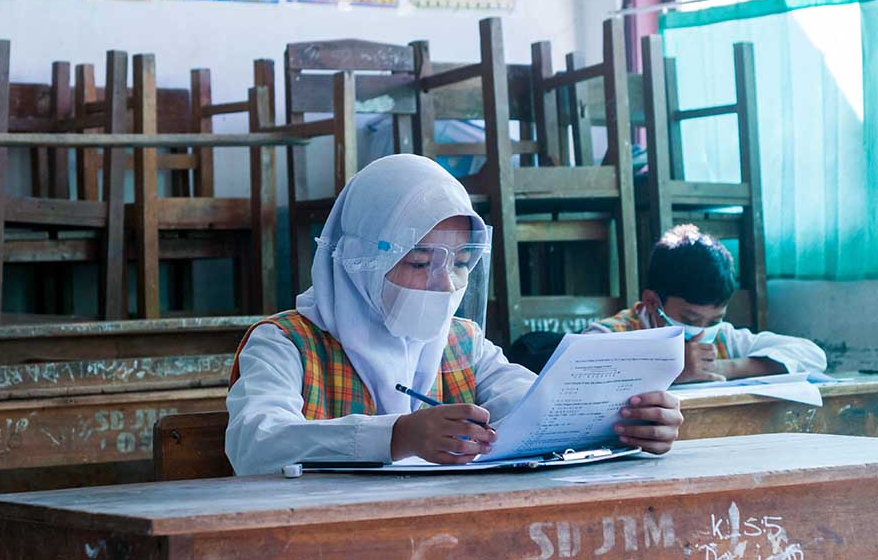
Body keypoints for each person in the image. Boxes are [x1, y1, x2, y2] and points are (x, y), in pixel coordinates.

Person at [226, 155, 683, 475]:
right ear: (357, 260)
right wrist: (398, 436)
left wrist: (624, 424)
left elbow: (535, 408)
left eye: (462, 264)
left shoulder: (463, 345)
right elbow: (257, 443)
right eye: (420, 263)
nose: (446, 285)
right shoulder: (287, 344)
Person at [584, 224, 826, 383]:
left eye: (714, 320)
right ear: (651, 302)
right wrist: (670, 372)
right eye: (690, 320)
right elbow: (579, 379)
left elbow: (813, 356)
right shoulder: (609, 335)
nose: (701, 332)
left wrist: (723, 368)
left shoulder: (723, 339)